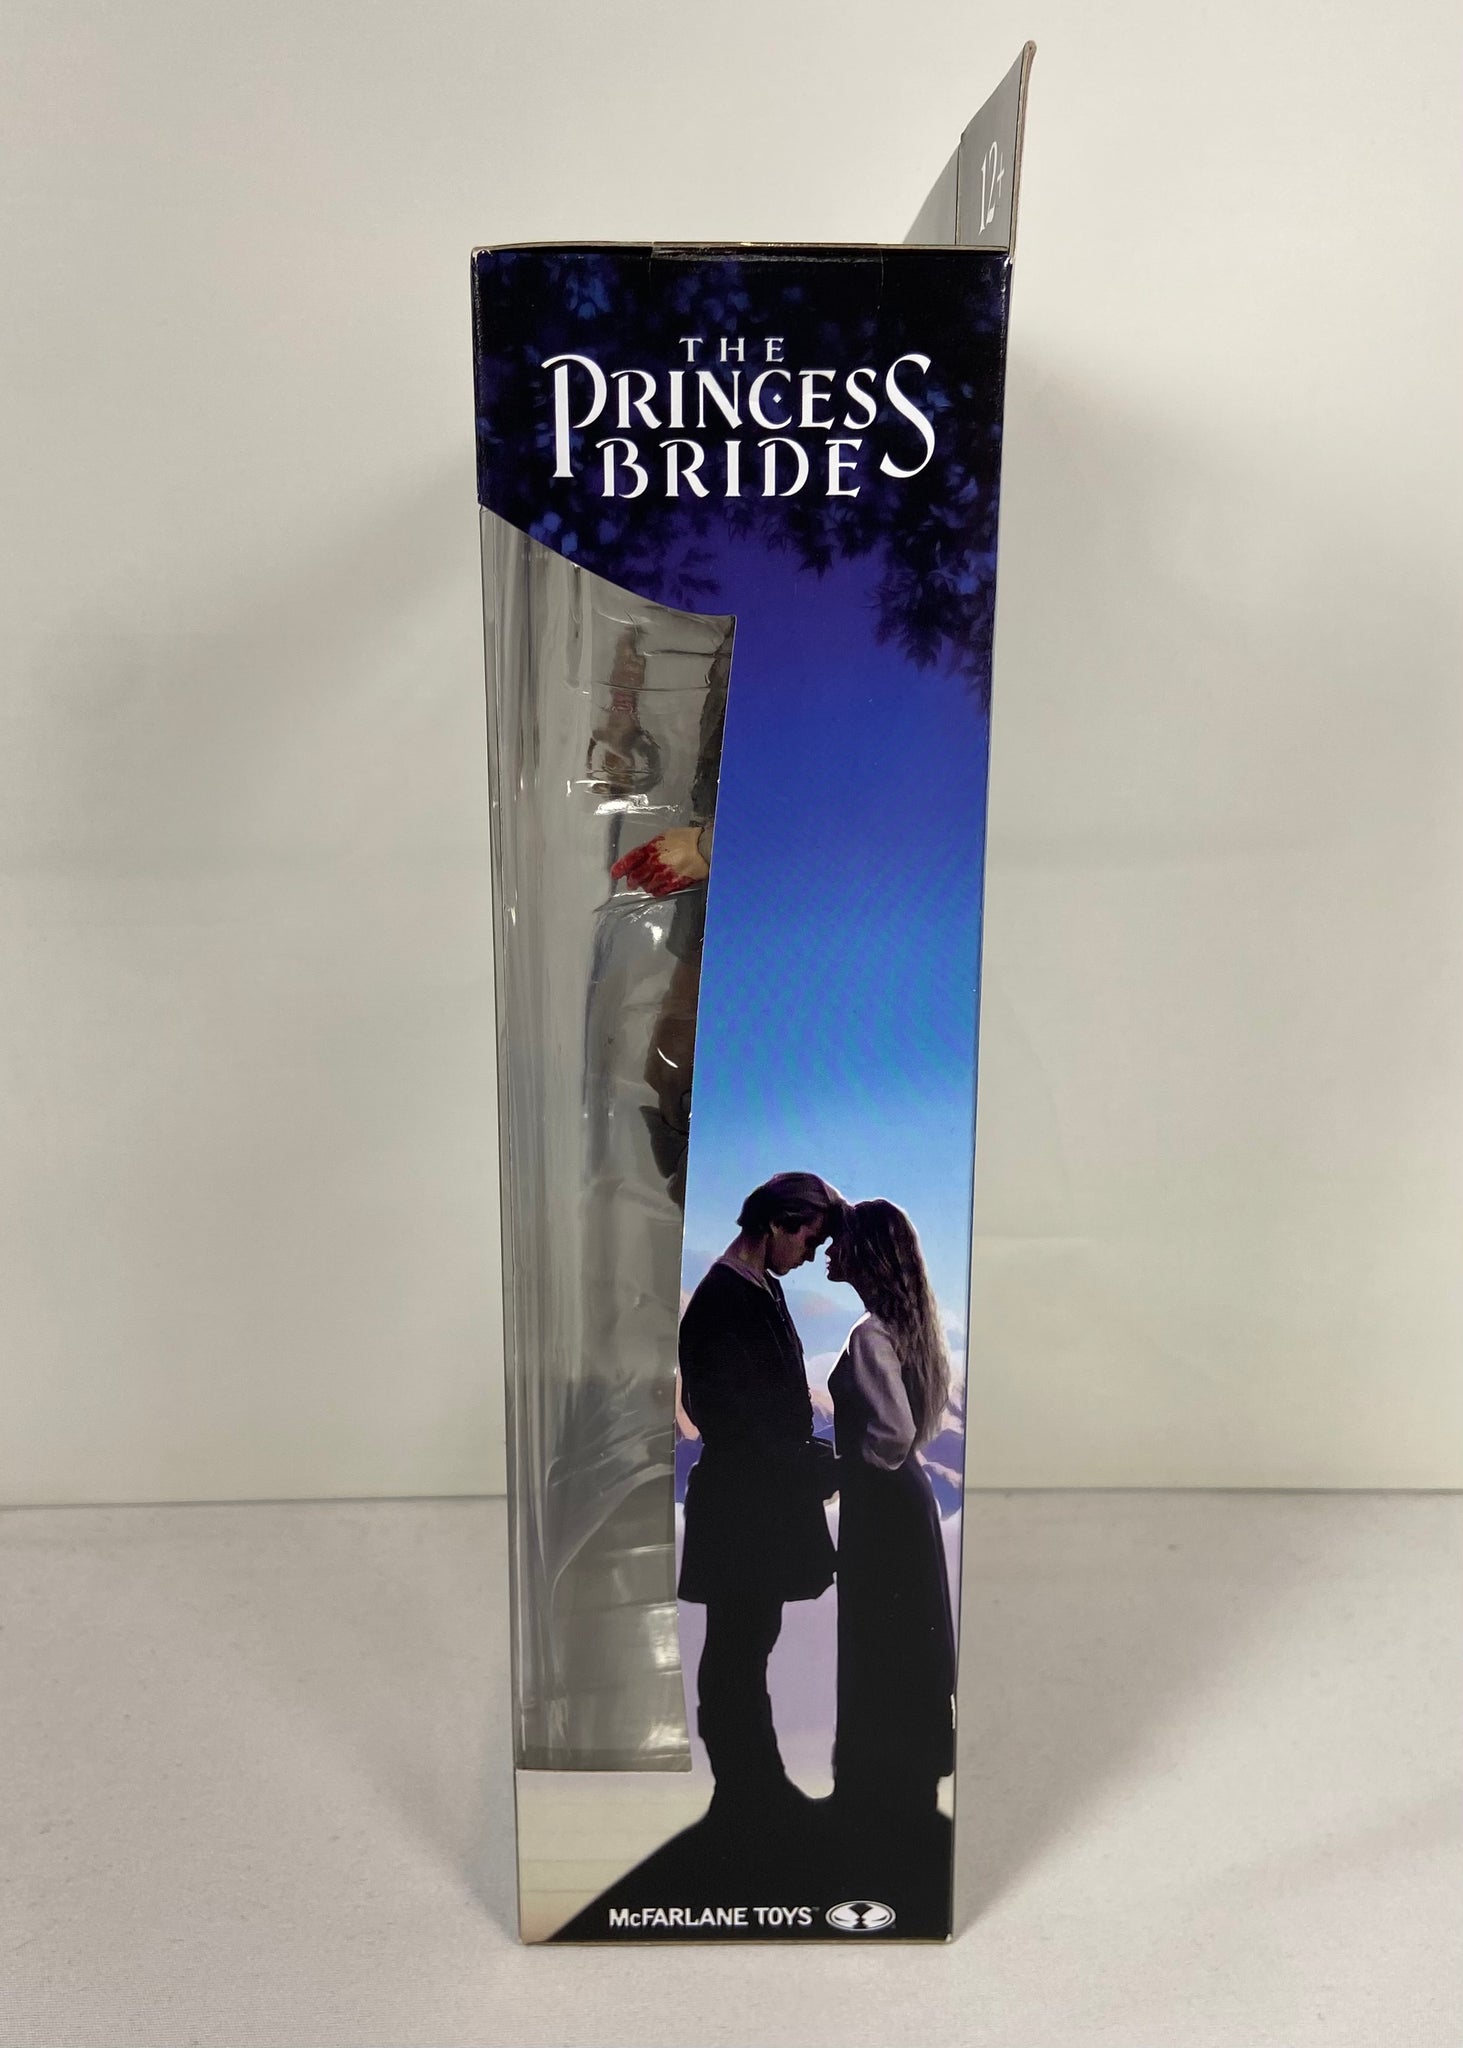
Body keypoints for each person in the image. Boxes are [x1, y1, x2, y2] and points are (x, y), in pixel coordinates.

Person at [677, 1172, 843, 1821]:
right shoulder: (724, 1299)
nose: (809, 1255)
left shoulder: (759, 1287)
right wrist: (808, 1465)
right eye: (808, 1240)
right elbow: (726, 1416)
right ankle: (746, 1790)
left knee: (750, 1640)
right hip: (742, 1506)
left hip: (758, 1501)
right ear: (777, 1223)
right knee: (738, 1645)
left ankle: (754, 1785)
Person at [826, 1199, 956, 1818]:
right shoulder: (902, 1330)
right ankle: (907, 1776)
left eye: (840, 1241)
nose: (829, 1251)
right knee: (905, 1634)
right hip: (904, 1500)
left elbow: (892, 1433)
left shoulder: (869, 1335)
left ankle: (874, 1785)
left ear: (865, 1254)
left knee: (878, 1634)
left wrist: (851, 1469)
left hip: (881, 1507)